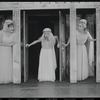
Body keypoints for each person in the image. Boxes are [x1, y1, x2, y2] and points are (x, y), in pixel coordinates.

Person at [0, 19, 15, 84]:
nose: (12, 28)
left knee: (8, 63)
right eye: (10, 27)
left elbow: (14, 42)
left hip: (9, 51)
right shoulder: (1, 32)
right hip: (2, 50)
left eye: (12, 27)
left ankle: (9, 77)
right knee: (2, 63)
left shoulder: (13, 34)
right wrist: (9, 45)